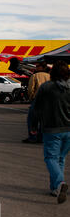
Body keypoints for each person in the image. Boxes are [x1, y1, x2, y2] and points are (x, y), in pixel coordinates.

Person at [31, 60, 70, 204]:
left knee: (50, 158)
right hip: (68, 130)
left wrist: (33, 126)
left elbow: (36, 108)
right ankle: (55, 189)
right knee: (60, 158)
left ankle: (59, 183)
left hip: (52, 130)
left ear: (52, 73)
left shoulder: (46, 88)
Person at [23, 62, 51, 144]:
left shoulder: (35, 76)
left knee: (32, 120)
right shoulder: (50, 76)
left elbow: (31, 89)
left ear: (41, 67)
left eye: (37, 66)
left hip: (37, 100)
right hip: (47, 101)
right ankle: (41, 137)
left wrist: (31, 98)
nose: (36, 68)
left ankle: (32, 137)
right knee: (43, 120)